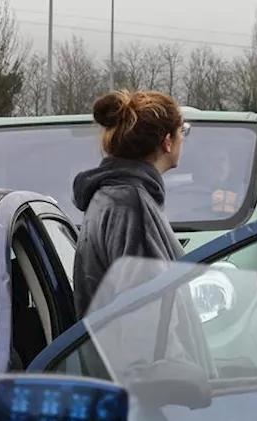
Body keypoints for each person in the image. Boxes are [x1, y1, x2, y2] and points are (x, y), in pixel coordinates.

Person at [72, 89, 187, 316]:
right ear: (167, 142)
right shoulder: (131, 206)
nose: (184, 138)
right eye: (182, 131)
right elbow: (146, 320)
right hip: (140, 352)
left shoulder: (113, 196)